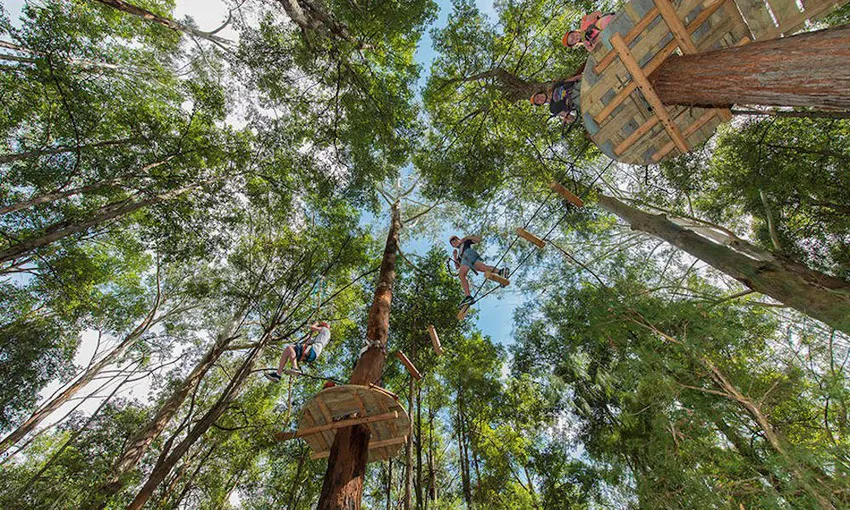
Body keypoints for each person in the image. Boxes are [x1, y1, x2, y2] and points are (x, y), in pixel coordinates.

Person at [450, 235, 509, 308]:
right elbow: (457, 267)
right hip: (468, 260)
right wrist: (455, 256)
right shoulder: (459, 254)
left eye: (455, 240)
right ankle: (501, 271)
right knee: (484, 268)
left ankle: (468, 297)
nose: (454, 243)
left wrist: (466, 238)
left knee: (461, 275)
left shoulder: (465, 243)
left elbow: (478, 239)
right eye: (452, 244)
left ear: (458, 239)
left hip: (468, 254)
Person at [264, 321, 331, 382]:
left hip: (313, 349)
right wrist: (312, 333)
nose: (319, 328)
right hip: (313, 354)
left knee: (290, 347)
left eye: (320, 326)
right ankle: (278, 374)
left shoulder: (326, 330)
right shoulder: (321, 338)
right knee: (287, 350)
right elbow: (308, 341)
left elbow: (312, 327)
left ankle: (295, 368)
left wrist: (315, 324)